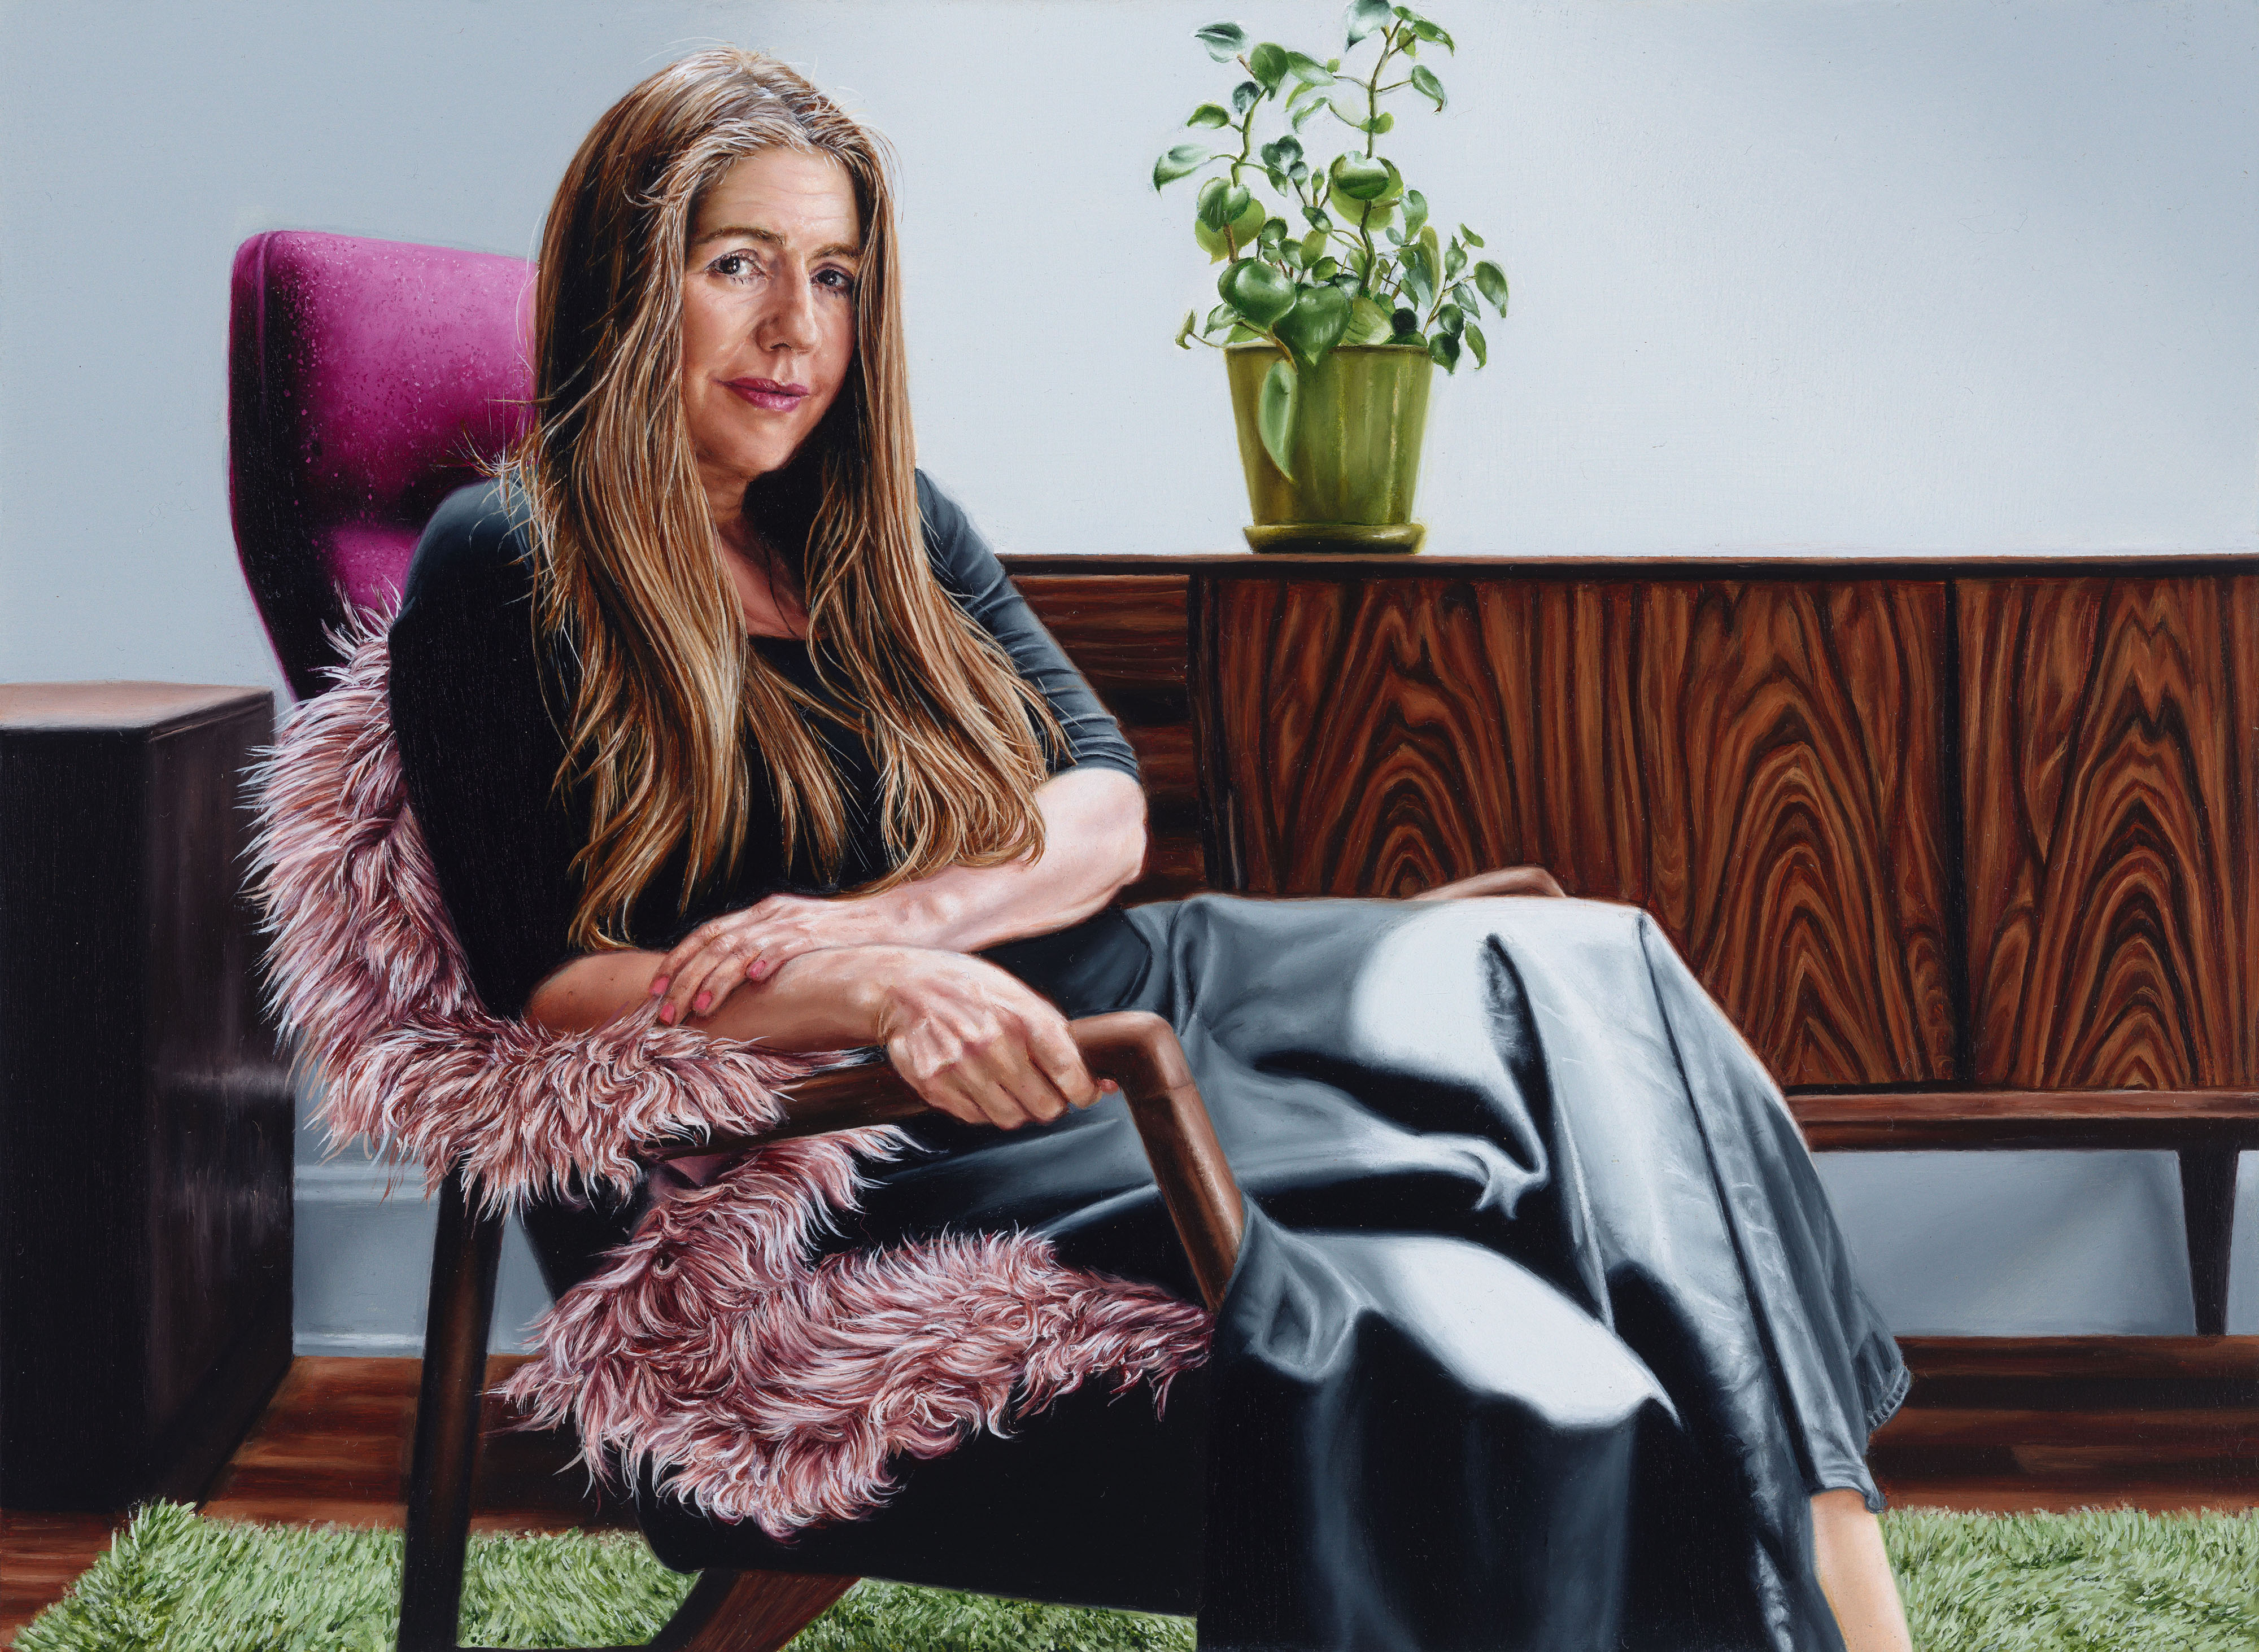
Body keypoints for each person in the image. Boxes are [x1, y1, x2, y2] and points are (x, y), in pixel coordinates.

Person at [386, 47, 1915, 1652]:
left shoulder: (886, 524)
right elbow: (548, 994)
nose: (797, 331)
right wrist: (871, 995)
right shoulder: (507, 561)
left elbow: (1103, 803)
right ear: (634, 282)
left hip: (1145, 978)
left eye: (835, 275)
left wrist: (913, 919)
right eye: (739, 266)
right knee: (1517, 1299)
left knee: (1578, 958)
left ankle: (1829, 1557)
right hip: (956, 1119)